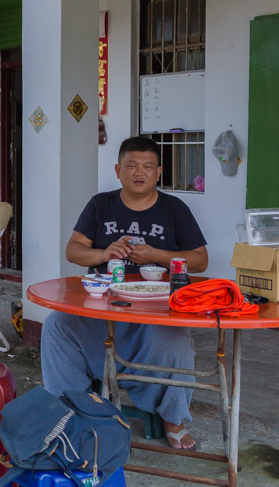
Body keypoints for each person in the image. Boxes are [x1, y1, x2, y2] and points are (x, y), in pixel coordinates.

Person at [41, 136, 208, 450]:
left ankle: (174, 419)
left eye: (147, 166)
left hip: (157, 310)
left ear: (159, 172)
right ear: (118, 170)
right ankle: (76, 410)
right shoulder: (100, 204)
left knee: (175, 344)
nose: (138, 172)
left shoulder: (175, 209)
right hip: (102, 306)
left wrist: (156, 255)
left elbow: (200, 259)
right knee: (56, 326)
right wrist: (105, 254)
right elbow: (74, 251)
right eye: (131, 165)